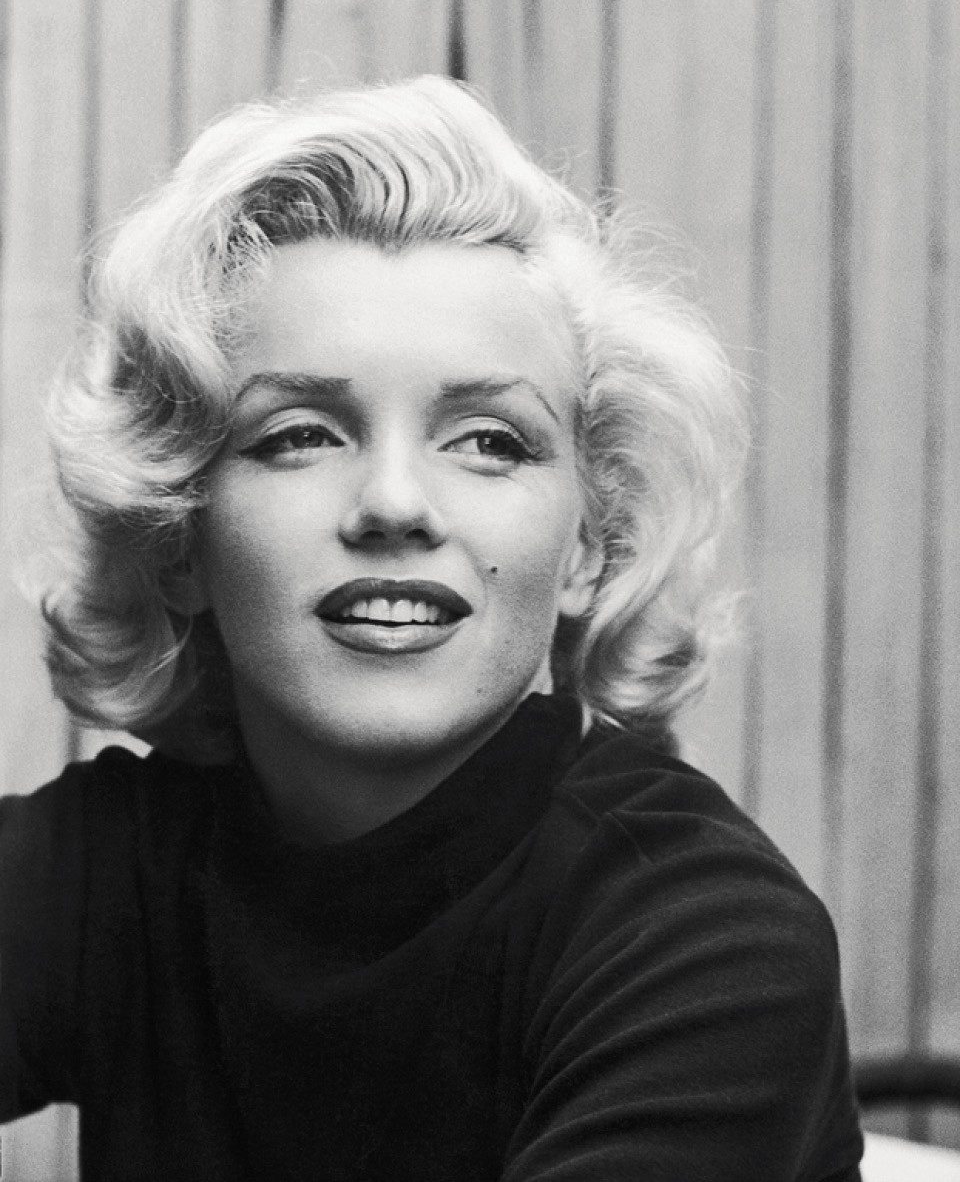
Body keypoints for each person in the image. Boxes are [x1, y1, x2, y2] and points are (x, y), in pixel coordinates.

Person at [0, 76, 863, 1180]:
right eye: (300, 434)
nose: (396, 504)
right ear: (177, 538)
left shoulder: (706, 939)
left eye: (490, 441)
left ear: (589, 545)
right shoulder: (109, 875)